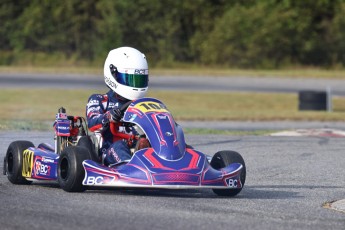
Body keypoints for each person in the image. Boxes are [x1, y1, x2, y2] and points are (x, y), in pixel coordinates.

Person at [86, 47, 149, 166]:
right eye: (129, 79)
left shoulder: (143, 105)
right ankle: (130, 170)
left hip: (138, 146)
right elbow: (92, 123)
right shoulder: (100, 100)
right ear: (113, 75)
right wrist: (109, 116)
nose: (135, 85)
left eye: (138, 80)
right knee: (120, 146)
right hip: (109, 151)